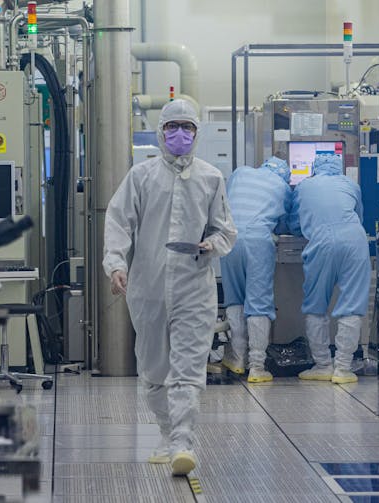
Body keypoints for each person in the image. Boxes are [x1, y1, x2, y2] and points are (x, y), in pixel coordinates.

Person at [102, 99, 237, 476]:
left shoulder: (211, 178)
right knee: (154, 368)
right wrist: (115, 263)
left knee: (189, 368)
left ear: (197, 132)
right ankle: (167, 434)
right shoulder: (141, 176)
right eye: (173, 126)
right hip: (147, 286)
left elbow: (225, 228)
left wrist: (213, 243)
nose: (180, 134)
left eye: (188, 127)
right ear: (161, 131)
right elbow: (118, 220)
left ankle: (183, 442)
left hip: (194, 285)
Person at [289, 153, 370, 384]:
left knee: (316, 304)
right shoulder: (351, 184)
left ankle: (323, 365)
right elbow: (360, 216)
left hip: (321, 242)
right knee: (352, 305)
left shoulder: (304, 186)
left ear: (314, 168)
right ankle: (343, 368)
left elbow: (295, 222)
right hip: (355, 241)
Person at [219, 157, 294, 383]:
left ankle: (237, 358)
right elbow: (284, 224)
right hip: (257, 241)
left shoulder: (240, 172)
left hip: (229, 239)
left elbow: (225, 202)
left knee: (234, 298)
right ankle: (257, 367)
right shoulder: (283, 187)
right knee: (258, 302)